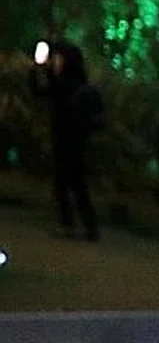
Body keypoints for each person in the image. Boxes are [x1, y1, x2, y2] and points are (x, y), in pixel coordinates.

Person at [29, 41, 103, 241]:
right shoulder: (77, 83)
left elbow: (40, 92)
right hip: (77, 140)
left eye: (59, 58)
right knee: (76, 183)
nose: (56, 61)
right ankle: (88, 225)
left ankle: (69, 223)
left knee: (65, 183)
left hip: (65, 139)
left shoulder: (63, 85)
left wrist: (36, 69)